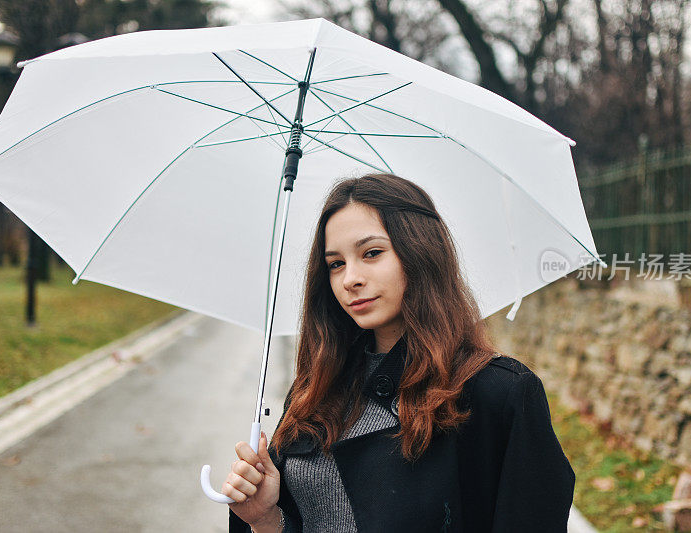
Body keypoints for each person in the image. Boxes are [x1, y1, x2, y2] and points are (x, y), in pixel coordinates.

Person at [224, 173, 575, 532]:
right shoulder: (315, 388)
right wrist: (265, 518)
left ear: (420, 251)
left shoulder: (497, 393)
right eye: (336, 264)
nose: (350, 279)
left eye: (372, 253)